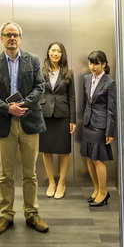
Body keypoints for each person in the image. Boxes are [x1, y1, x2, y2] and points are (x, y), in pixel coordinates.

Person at [0, 21, 50, 234]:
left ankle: (32, 213)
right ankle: (6, 215)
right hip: (5, 123)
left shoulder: (33, 60)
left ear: (20, 38)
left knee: (30, 174)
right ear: (1, 38)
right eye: (8, 34)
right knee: (6, 174)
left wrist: (23, 105)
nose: (12, 38)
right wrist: (7, 108)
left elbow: (40, 86)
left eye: (15, 35)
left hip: (29, 121)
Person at [39, 42, 76, 199]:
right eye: (53, 50)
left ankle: (61, 182)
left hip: (63, 115)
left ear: (62, 54)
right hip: (45, 115)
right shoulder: (41, 72)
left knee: (64, 151)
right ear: (48, 52)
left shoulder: (68, 73)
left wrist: (73, 120)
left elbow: (72, 97)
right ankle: (51, 183)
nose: (55, 53)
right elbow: (37, 93)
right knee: (46, 150)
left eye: (58, 51)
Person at [79, 50, 116, 207]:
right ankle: (96, 189)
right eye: (91, 63)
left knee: (98, 159)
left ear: (104, 64)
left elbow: (111, 109)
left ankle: (103, 192)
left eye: (96, 63)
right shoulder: (86, 79)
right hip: (88, 123)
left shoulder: (109, 82)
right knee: (88, 158)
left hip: (100, 125)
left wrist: (110, 131)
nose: (93, 66)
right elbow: (85, 102)